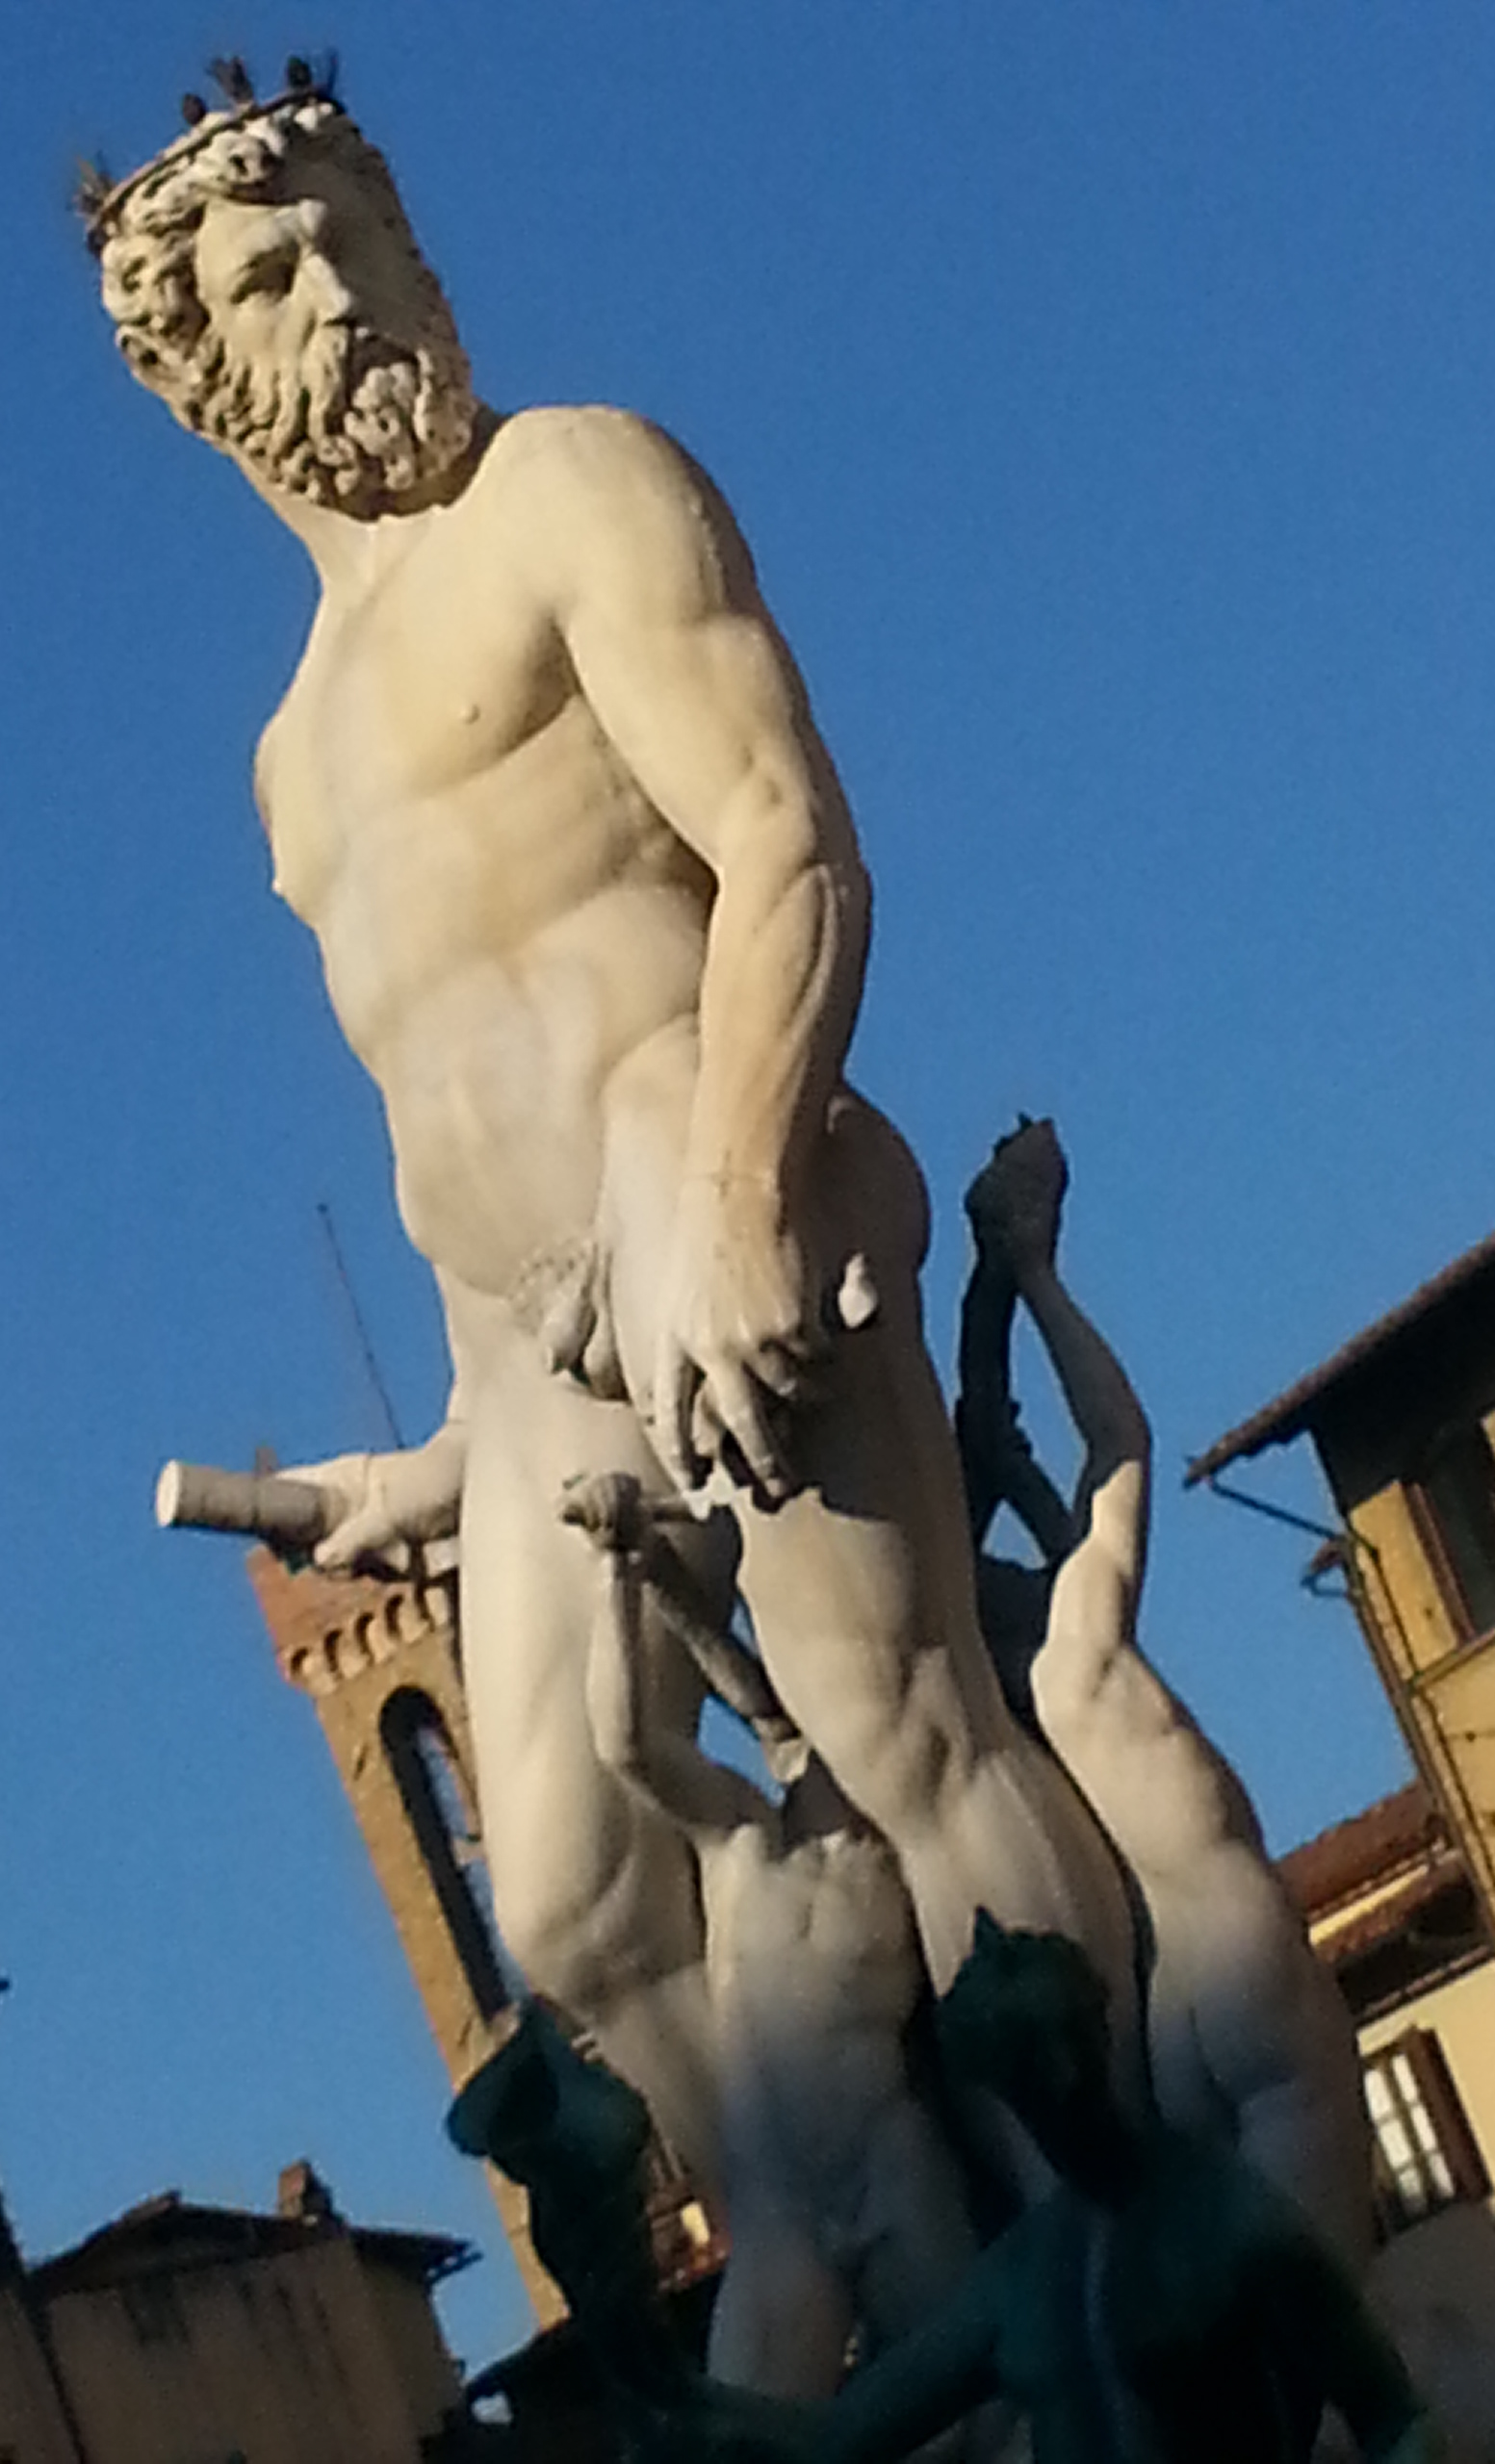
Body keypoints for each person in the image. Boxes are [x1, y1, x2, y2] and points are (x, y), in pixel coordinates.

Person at [90, 61, 1137, 2186]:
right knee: (574, 1905)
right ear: (204, 380)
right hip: (531, 1355)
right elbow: (459, 1112)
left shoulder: (564, 488)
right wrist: (454, 1462)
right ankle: (893, 2283)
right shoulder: (291, 768)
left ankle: (1136, 2222)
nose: (339, 290)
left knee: (906, 1733)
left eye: (352, 236)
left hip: (712, 1164)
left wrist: (744, 1191)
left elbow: (788, 839)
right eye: (271, 274)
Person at [955, 1119, 1372, 2269]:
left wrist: (1008, 1472)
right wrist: (1035, 1271)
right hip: (1244, 1962)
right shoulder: (1085, 1649)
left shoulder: (1006, 1711)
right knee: (1335, 2313)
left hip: (1157, 2030)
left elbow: (1047, 1539)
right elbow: (1122, 1440)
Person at [563, 1469, 984, 2406]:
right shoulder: (740, 1836)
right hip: (783, 2210)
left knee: (987, 2403)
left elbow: (770, 1699)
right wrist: (617, 1575)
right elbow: (630, 1742)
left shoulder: (914, 1840)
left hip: (891, 2173)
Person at [796, 1914, 1432, 2464]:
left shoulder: (1229, 2219)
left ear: (1099, 2034)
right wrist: (701, 2417)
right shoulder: (1017, 2278)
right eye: (1027, 2073)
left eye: (1068, 2044)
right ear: (1001, 2091)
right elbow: (841, 2438)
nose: (1063, 2081)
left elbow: (1394, 2416)